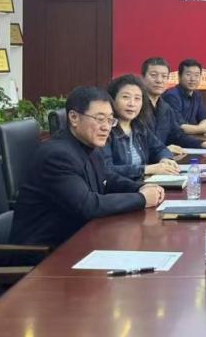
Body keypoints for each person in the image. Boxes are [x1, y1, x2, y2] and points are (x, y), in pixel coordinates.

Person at [10, 86, 165, 247]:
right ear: (74, 117)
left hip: (79, 239)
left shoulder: (89, 147)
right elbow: (87, 205)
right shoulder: (56, 155)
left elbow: (108, 179)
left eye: (110, 120)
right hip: (46, 252)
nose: (106, 127)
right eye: (100, 119)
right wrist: (141, 199)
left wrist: (140, 187)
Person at [102, 74, 181, 182]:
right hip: (119, 189)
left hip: (143, 184)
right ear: (112, 99)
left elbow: (159, 148)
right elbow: (106, 169)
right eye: (126, 97)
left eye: (137, 98)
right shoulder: (105, 130)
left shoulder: (139, 127)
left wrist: (165, 159)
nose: (132, 104)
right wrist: (146, 169)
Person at [141, 57, 206, 154]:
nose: (159, 80)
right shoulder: (137, 107)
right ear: (143, 77)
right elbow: (138, 144)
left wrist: (202, 144)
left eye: (164, 76)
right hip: (149, 160)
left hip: (163, 157)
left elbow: (176, 135)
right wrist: (163, 150)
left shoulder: (164, 107)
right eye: (153, 75)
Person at [162, 59, 206, 138]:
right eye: (188, 74)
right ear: (179, 76)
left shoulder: (196, 94)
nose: (192, 79)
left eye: (196, 75)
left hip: (192, 138)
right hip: (175, 140)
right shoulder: (171, 96)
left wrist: (202, 128)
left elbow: (204, 117)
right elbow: (179, 127)